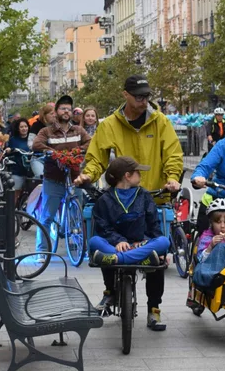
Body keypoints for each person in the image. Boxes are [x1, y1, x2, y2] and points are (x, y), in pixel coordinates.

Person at [76, 74, 183, 331]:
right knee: (102, 237)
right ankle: (111, 289)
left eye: (146, 96)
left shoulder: (161, 122)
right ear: (125, 95)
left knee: (157, 254)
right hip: (119, 199)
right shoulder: (109, 125)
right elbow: (96, 157)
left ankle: (154, 308)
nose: (144, 100)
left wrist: (172, 179)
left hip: (153, 197)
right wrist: (88, 174)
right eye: (138, 96)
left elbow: (173, 155)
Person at [32, 95, 91, 252]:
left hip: (74, 178)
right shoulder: (47, 131)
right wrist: (53, 153)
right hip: (53, 178)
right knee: (47, 216)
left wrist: (79, 150)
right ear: (56, 111)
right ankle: (42, 250)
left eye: (69, 109)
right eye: (63, 109)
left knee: (76, 214)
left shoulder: (78, 130)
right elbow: (36, 144)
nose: (66, 112)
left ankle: (77, 246)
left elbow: (89, 142)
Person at [88, 156, 171, 268]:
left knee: (164, 242)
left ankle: (118, 259)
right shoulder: (105, 200)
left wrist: (157, 249)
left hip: (141, 244)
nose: (140, 175)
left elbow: (153, 225)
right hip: (116, 245)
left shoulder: (144, 195)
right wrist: (119, 241)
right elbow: (103, 228)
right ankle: (139, 259)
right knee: (94, 241)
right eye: (137, 172)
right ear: (127, 176)